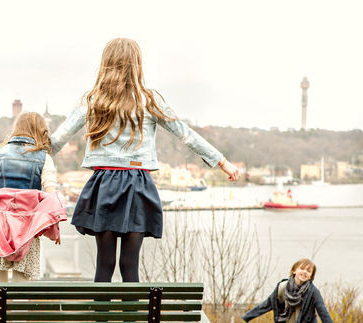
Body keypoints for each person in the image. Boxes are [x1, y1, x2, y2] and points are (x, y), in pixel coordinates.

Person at [49, 37, 240, 283]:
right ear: (137, 64)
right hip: (136, 185)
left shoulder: (93, 99)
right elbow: (185, 134)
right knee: (130, 264)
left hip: (104, 184)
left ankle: (100, 321)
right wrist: (222, 161)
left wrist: (23, 154)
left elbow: (58, 138)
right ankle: (133, 322)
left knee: (104, 264)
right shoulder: (149, 100)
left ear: (105, 63)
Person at [0, 112, 66, 282]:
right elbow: (51, 197)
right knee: (21, 285)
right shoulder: (44, 158)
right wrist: (54, 228)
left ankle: (0, 309)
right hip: (27, 229)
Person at [242, 258, 345, 323]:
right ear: (294, 271)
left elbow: (323, 312)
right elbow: (268, 304)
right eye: (302, 268)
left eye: (309, 271)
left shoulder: (313, 292)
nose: (305, 272)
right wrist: (248, 316)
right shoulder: (283, 287)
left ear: (311, 276)